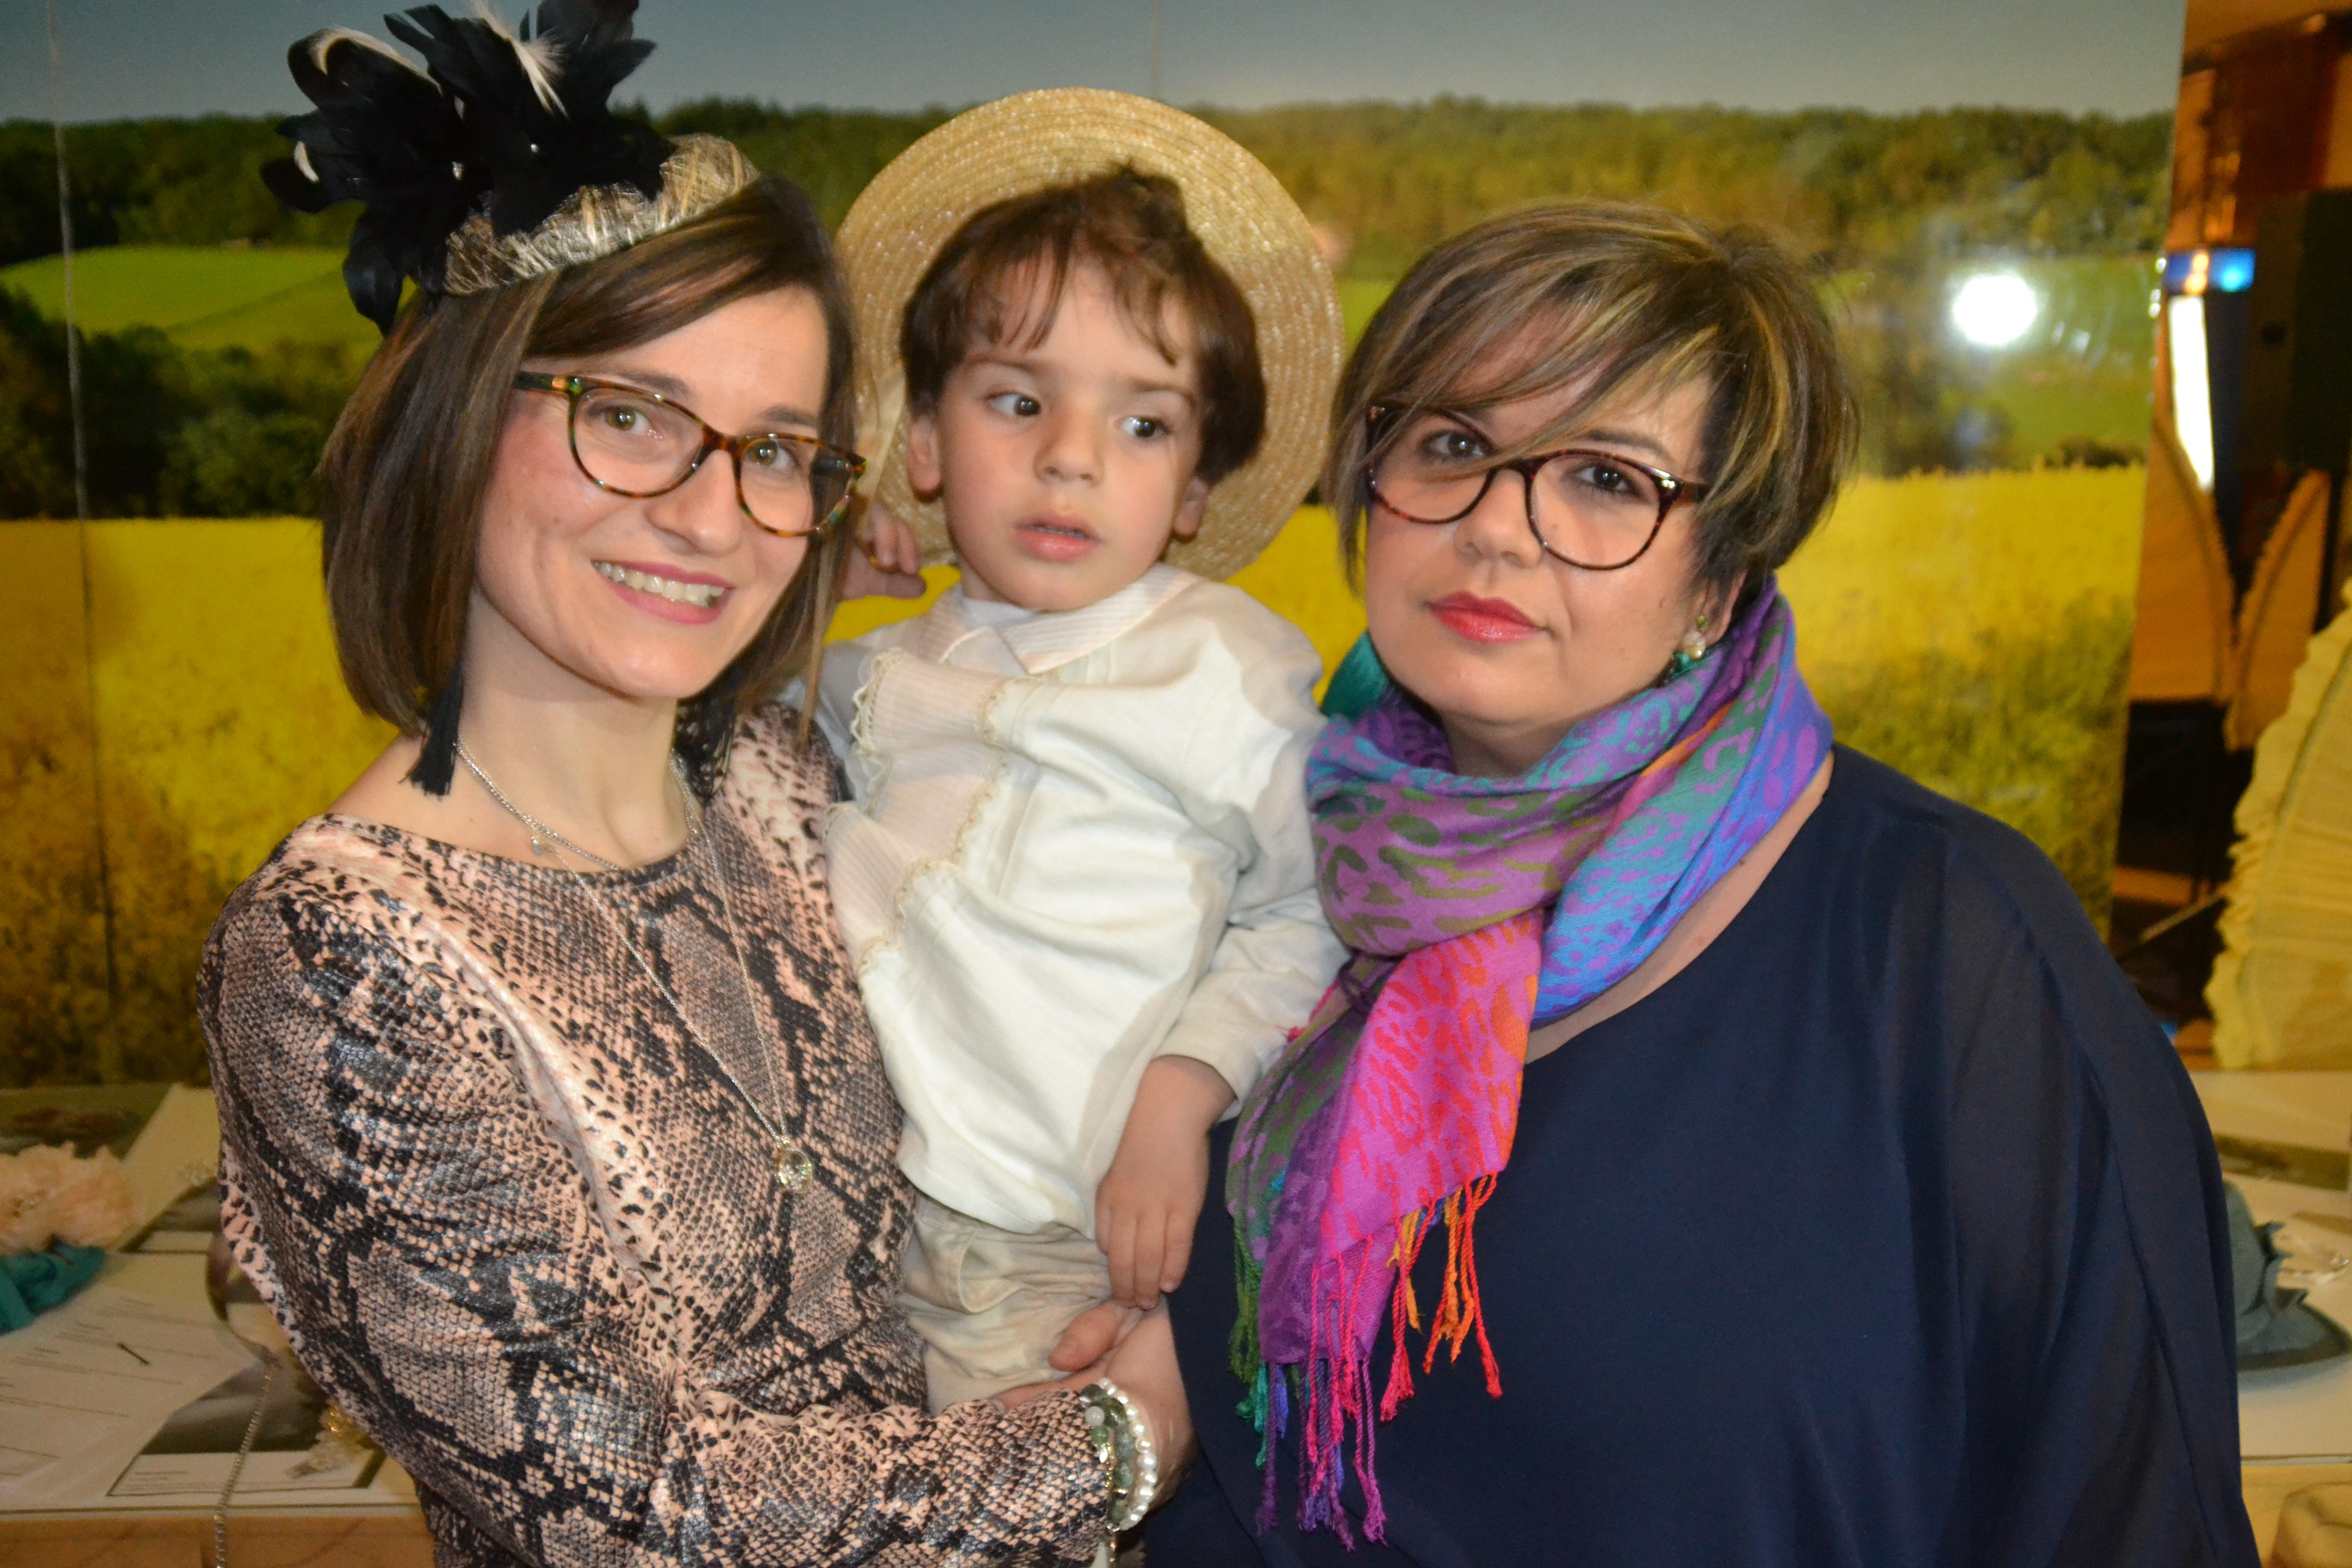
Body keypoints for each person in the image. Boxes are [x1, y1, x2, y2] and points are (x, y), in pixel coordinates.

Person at [1147, 202, 2261, 1566]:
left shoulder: (1948, 949)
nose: (1497, 529)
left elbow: (2129, 1510)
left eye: (1606, 479)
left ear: (1720, 584)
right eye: (1453, 446)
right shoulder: (1275, 874)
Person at [203, 13, 1180, 1565]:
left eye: (776, 451)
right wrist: (1124, 1435)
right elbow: (637, 1517)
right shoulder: (342, 956)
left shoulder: (788, 782)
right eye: (631, 416)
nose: (714, 519)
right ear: (460, 414)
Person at [816, 90, 1351, 1411]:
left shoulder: (1226, 666)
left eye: (1143, 424)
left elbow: (1309, 914)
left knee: (1003, 1505)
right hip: (845, 1225)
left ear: (1197, 488)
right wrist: (813, 586)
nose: (1070, 460)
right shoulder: (869, 672)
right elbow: (688, 748)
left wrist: (1179, 1096)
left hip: (1064, 1244)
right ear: (923, 443)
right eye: (1017, 401)